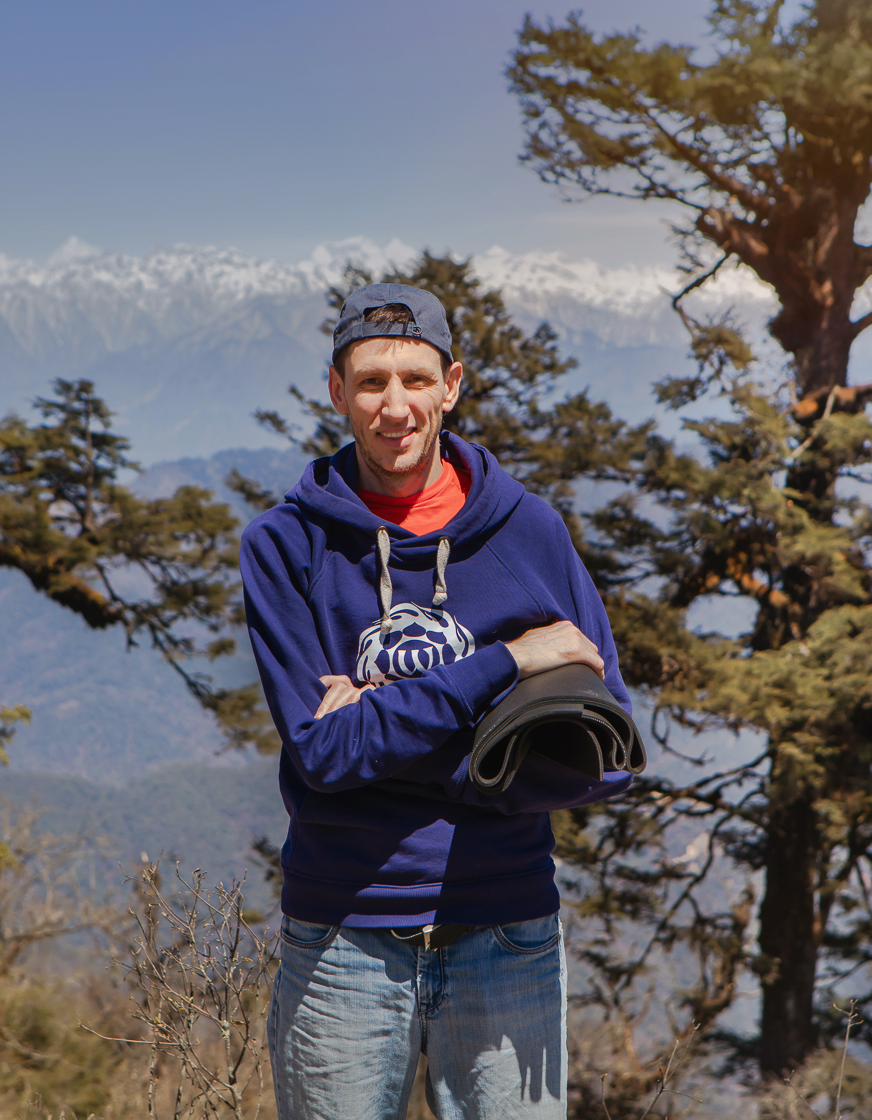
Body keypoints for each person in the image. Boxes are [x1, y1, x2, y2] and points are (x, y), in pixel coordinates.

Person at [239, 282, 634, 1119]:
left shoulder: (529, 534)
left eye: (416, 380)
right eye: (371, 382)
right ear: (336, 390)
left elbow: (609, 755)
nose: (396, 407)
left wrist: (380, 723)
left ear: (451, 385)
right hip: (340, 937)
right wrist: (508, 670)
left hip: (508, 931)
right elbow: (323, 756)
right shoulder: (285, 547)